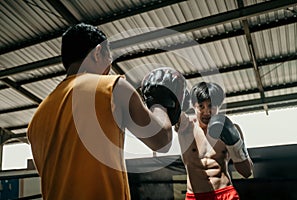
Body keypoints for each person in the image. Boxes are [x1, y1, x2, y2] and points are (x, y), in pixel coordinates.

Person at [27, 23, 187, 199]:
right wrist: (160, 101)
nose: (109, 68)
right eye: (108, 59)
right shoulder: (111, 87)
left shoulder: (36, 119)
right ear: (97, 52)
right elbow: (161, 140)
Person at [175, 81, 253, 200]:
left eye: (211, 106)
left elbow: (247, 172)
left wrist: (234, 142)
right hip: (195, 196)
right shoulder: (185, 127)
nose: (207, 112)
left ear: (219, 106)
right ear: (194, 106)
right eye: (201, 106)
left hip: (224, 194)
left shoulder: (231, 128)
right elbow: (168, 115)